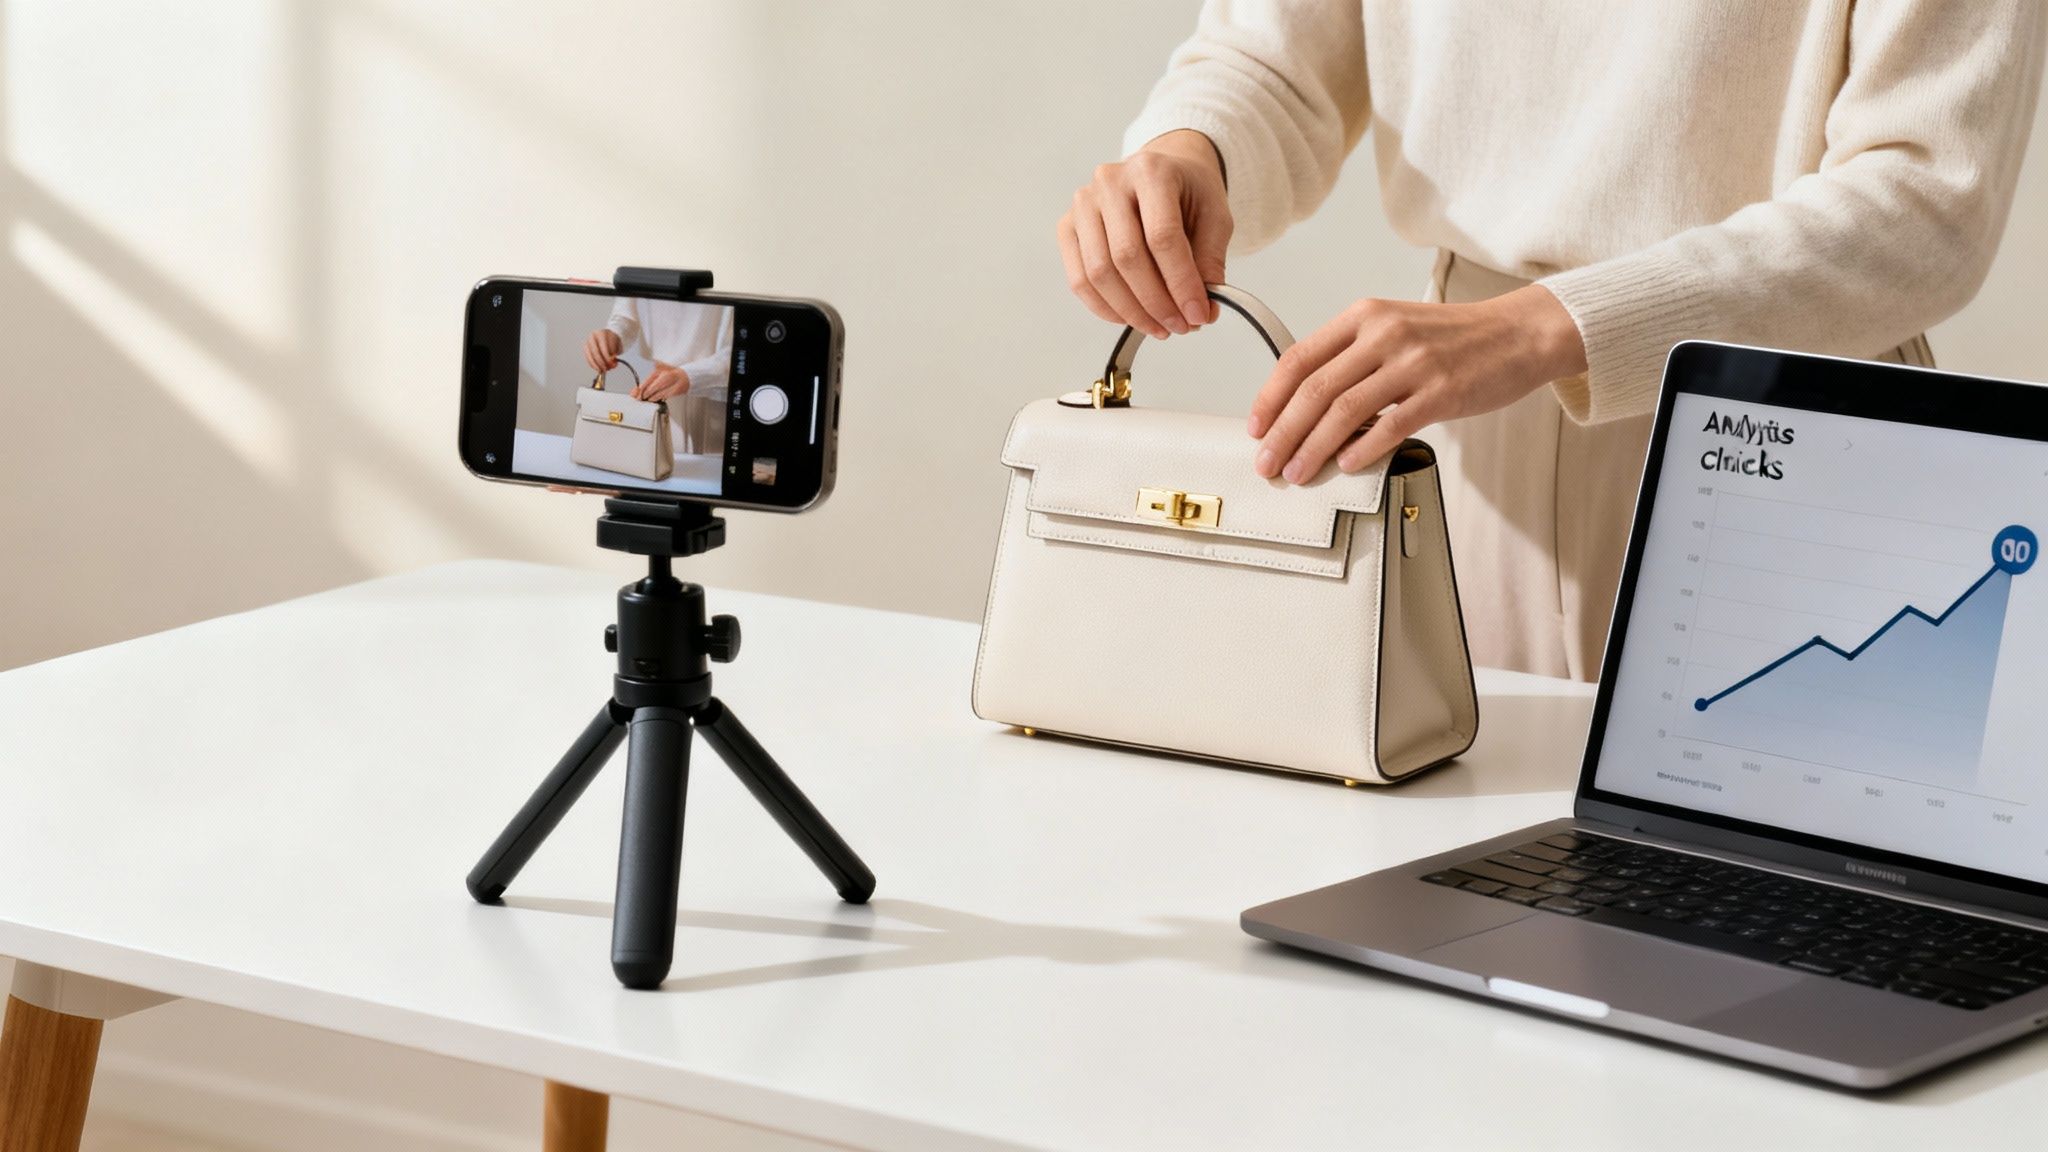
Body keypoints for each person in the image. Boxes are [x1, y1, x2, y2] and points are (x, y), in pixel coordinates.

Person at [1060, 1, 2045, 680]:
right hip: (1464, 451)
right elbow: (1273, 55)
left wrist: (1540, 327)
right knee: (1430, 919)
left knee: (1799, 939)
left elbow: (1924, 206)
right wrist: (1189, 148)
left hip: (1791, 440)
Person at [584, 297, 733, 453]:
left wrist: (690, 377)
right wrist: (612, 335)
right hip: (660, 392)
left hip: (717, 401)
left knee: (710, 468)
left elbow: (740, 351)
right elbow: (625, 313)